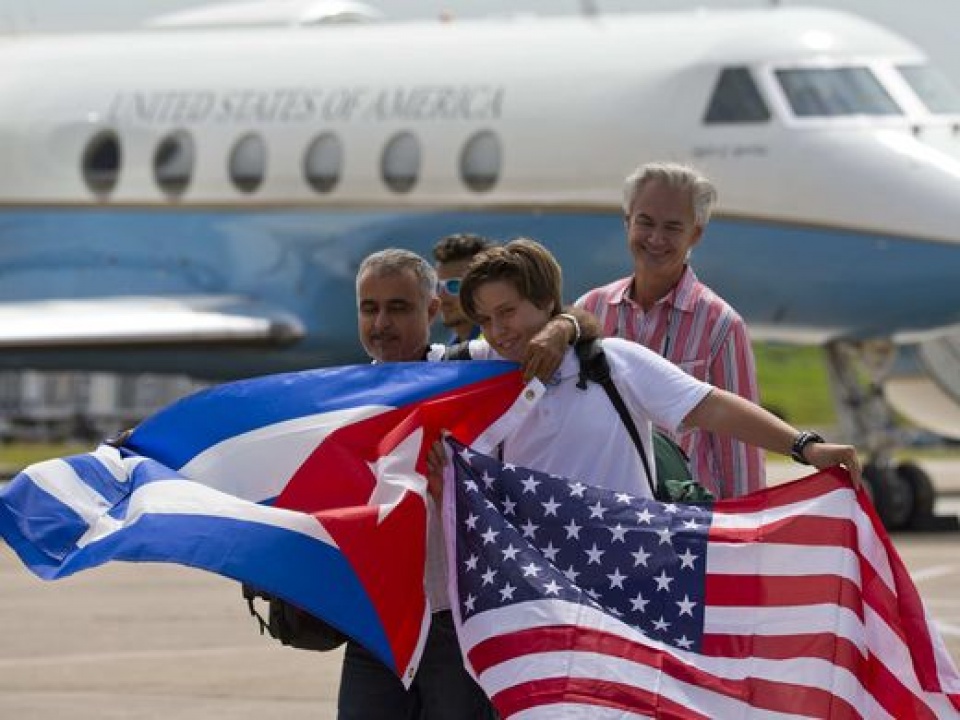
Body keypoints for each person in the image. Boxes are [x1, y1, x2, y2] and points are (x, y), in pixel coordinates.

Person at [428, 238, 860, 500]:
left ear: (544, 303)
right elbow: (399, 371)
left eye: (508, 312)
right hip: (535, 591)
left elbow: (714, 409)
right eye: (485, 319)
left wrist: (805, 447)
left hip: (625, 577)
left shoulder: (613, 362)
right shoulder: (480, 366)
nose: (498, 331)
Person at [346, 248, 496, 719]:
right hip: (378, 625)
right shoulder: (343, 403)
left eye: (398, 307)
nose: (381, 323)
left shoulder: (468, 383)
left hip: (454, 622)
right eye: (370, 308)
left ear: (432, 310)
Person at [575, 161, 764, 499]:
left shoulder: (721, 325)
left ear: (696, 233)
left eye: (673, 227)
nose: (656, 239)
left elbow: (740, 454)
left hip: (683, 526)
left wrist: (742, 543)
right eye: (644, 222)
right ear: (627, 221)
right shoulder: (590, 310)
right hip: (603, 521)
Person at [432, 233, 493, 344]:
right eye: (437, 286)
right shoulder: (451, 349)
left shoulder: (501, 347)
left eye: (454, 285)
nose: (441, 297)